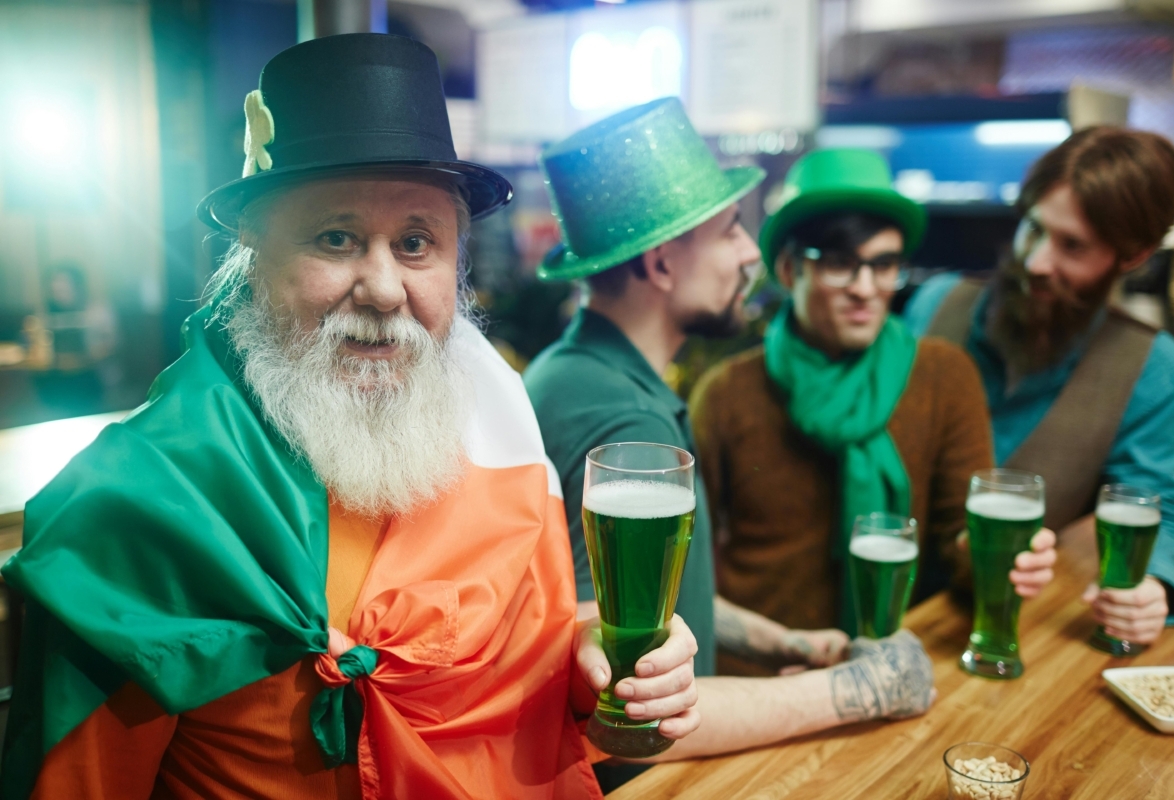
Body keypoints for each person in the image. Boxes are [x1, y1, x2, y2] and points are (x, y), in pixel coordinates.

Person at [1, 34, 699, 800]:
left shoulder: (495, 427)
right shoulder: (128, 506)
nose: (383, 288)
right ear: (251, 249)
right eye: (335, 238)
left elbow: (514, 699)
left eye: (415, 243)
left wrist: (588, 665)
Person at [525, 100, 938, 786]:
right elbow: (634, 710)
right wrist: (860, 690)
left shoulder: (569, 371)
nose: (752, 253)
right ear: (660, 264)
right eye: (729, 231)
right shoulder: (629, 429)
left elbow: (643, 607)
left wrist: (780, 641)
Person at [689, 149, 1057, 675]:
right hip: (762, 675)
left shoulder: (942, 376)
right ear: (792, 269)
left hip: (899, 663)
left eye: (883, 264)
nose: (865, 289)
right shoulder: (727, 392)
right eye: (840, 263)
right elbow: (694, 567)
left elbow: (960, 546)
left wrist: (1002, 560)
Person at [906, 127, 1174, 647]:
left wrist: (1151, 586)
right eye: (1034, 228)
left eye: (1072, 246)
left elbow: (1155, 504)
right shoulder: (936, 304)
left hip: (1005, 626)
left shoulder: (1153, 369)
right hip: (889, 606)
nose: (1037, 261)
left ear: (1132, 256)